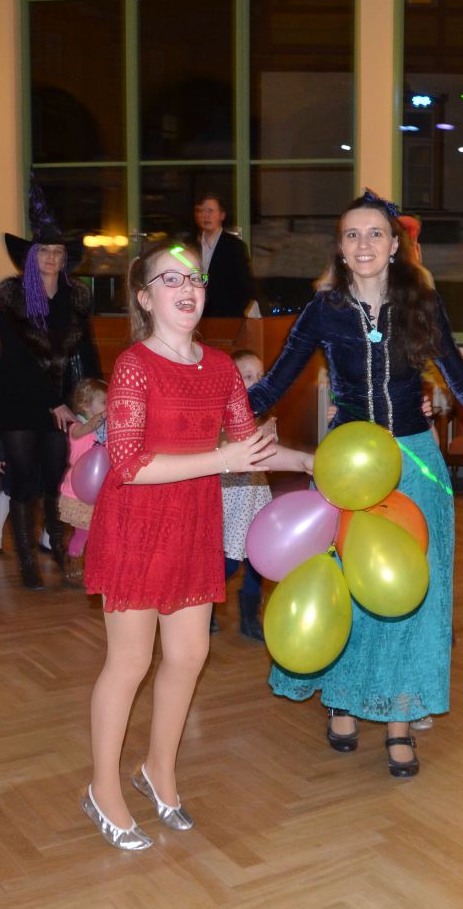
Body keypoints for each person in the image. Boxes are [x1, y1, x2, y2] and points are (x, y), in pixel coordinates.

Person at [248, 191, 463, 779]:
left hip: (415, 466)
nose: (364, 244)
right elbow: (274, 382)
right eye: (352, 235)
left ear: (395, 245)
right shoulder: (323, 309)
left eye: (375, 233)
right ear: (340, 247)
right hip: (348, 470)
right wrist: (208, 421)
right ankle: (342, 700)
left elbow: (461, 378)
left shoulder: (421, 304)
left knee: (411, 595)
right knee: (348, 589)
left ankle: (400, 720)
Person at [79, 244, 312, 851]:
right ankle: (103, 788)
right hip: (136, 527)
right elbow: (128, 465)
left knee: (188, 656)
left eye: (195, 279)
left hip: (191, 524)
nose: (187, 288)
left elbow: (248, 448)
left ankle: (158, 769)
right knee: (130, 662)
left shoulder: (221, 367)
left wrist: (312, 464)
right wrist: (222, 459)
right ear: (145, 297)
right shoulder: (134, 366)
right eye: (171, 279)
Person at [0, 209, 102, 590]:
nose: (51, 258)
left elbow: (86, 350)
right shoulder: (13, 297)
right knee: (24, 480)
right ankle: (27, 561)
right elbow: (15, 357)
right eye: (43, 251)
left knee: (58, 477)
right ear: (31, 257)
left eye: (57, 251)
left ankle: (57, 548)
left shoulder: (75, 298)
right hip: (19, 398)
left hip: (63, 401)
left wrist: (98, 394)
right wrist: (51, 401)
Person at [221, 350, 273, 642]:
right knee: (228, 559)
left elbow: (270, 455)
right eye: (248, 376)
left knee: (257, 556)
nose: (257, 382)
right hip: (230, 495)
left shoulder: (263, 414)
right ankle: (206, 606)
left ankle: (250, 617)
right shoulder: (223, 412)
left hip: (254, 493)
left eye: (260, 376)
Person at [58, 378, 108, 581]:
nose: (108, 406)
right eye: (104, 402)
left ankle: (96, 564)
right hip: (79, 490)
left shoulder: (107, 429)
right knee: (83, 530)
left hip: (102, 489)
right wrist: (106, 414)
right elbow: (87, 428)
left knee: (101, 531)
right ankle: (73, 558)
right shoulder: (77, 427)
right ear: (85, 405)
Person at [187, 193, 256, 319]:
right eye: (201, 211)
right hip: (194, 314)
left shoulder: (235, 246)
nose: (205, 216)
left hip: (225, 316)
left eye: (210, 211)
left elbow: (245, 286)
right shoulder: (189, 245)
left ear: (222, 215)